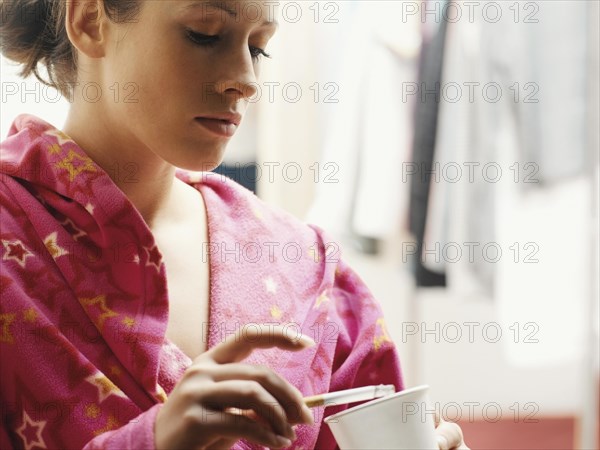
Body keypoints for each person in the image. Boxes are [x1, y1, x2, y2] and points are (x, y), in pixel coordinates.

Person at [0, 1, 470, 449]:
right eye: (203, 35)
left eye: (258, 47)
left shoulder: (308, 269)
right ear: (87, 20)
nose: (246, 81)